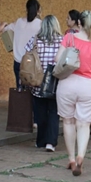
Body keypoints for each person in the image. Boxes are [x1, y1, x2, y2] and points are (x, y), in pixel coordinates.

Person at [55, 10, 91, 176]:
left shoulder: (69, 38)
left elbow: (58, 59)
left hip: (67, 83)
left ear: (79, 23)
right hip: (87, 86)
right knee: (83, 124)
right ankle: (80, 156)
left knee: (68, 122)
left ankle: (70, 158)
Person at [24, 15, 63, 152]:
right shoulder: (62, 40)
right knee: (53, 112)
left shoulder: (35, 40)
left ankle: (40, 141)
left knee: (40, 113)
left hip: (38, 80)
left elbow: (27, 55)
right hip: (55, 80)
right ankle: (51, 143)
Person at [6, 0, 42, 87]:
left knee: (20, 89)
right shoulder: (40, 24)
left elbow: (6, 29)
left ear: (26, 9)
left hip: (17, 60)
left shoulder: (19, 22)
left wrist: (3, 24)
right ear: (38, 10)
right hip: (31, 61)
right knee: (32, 89)